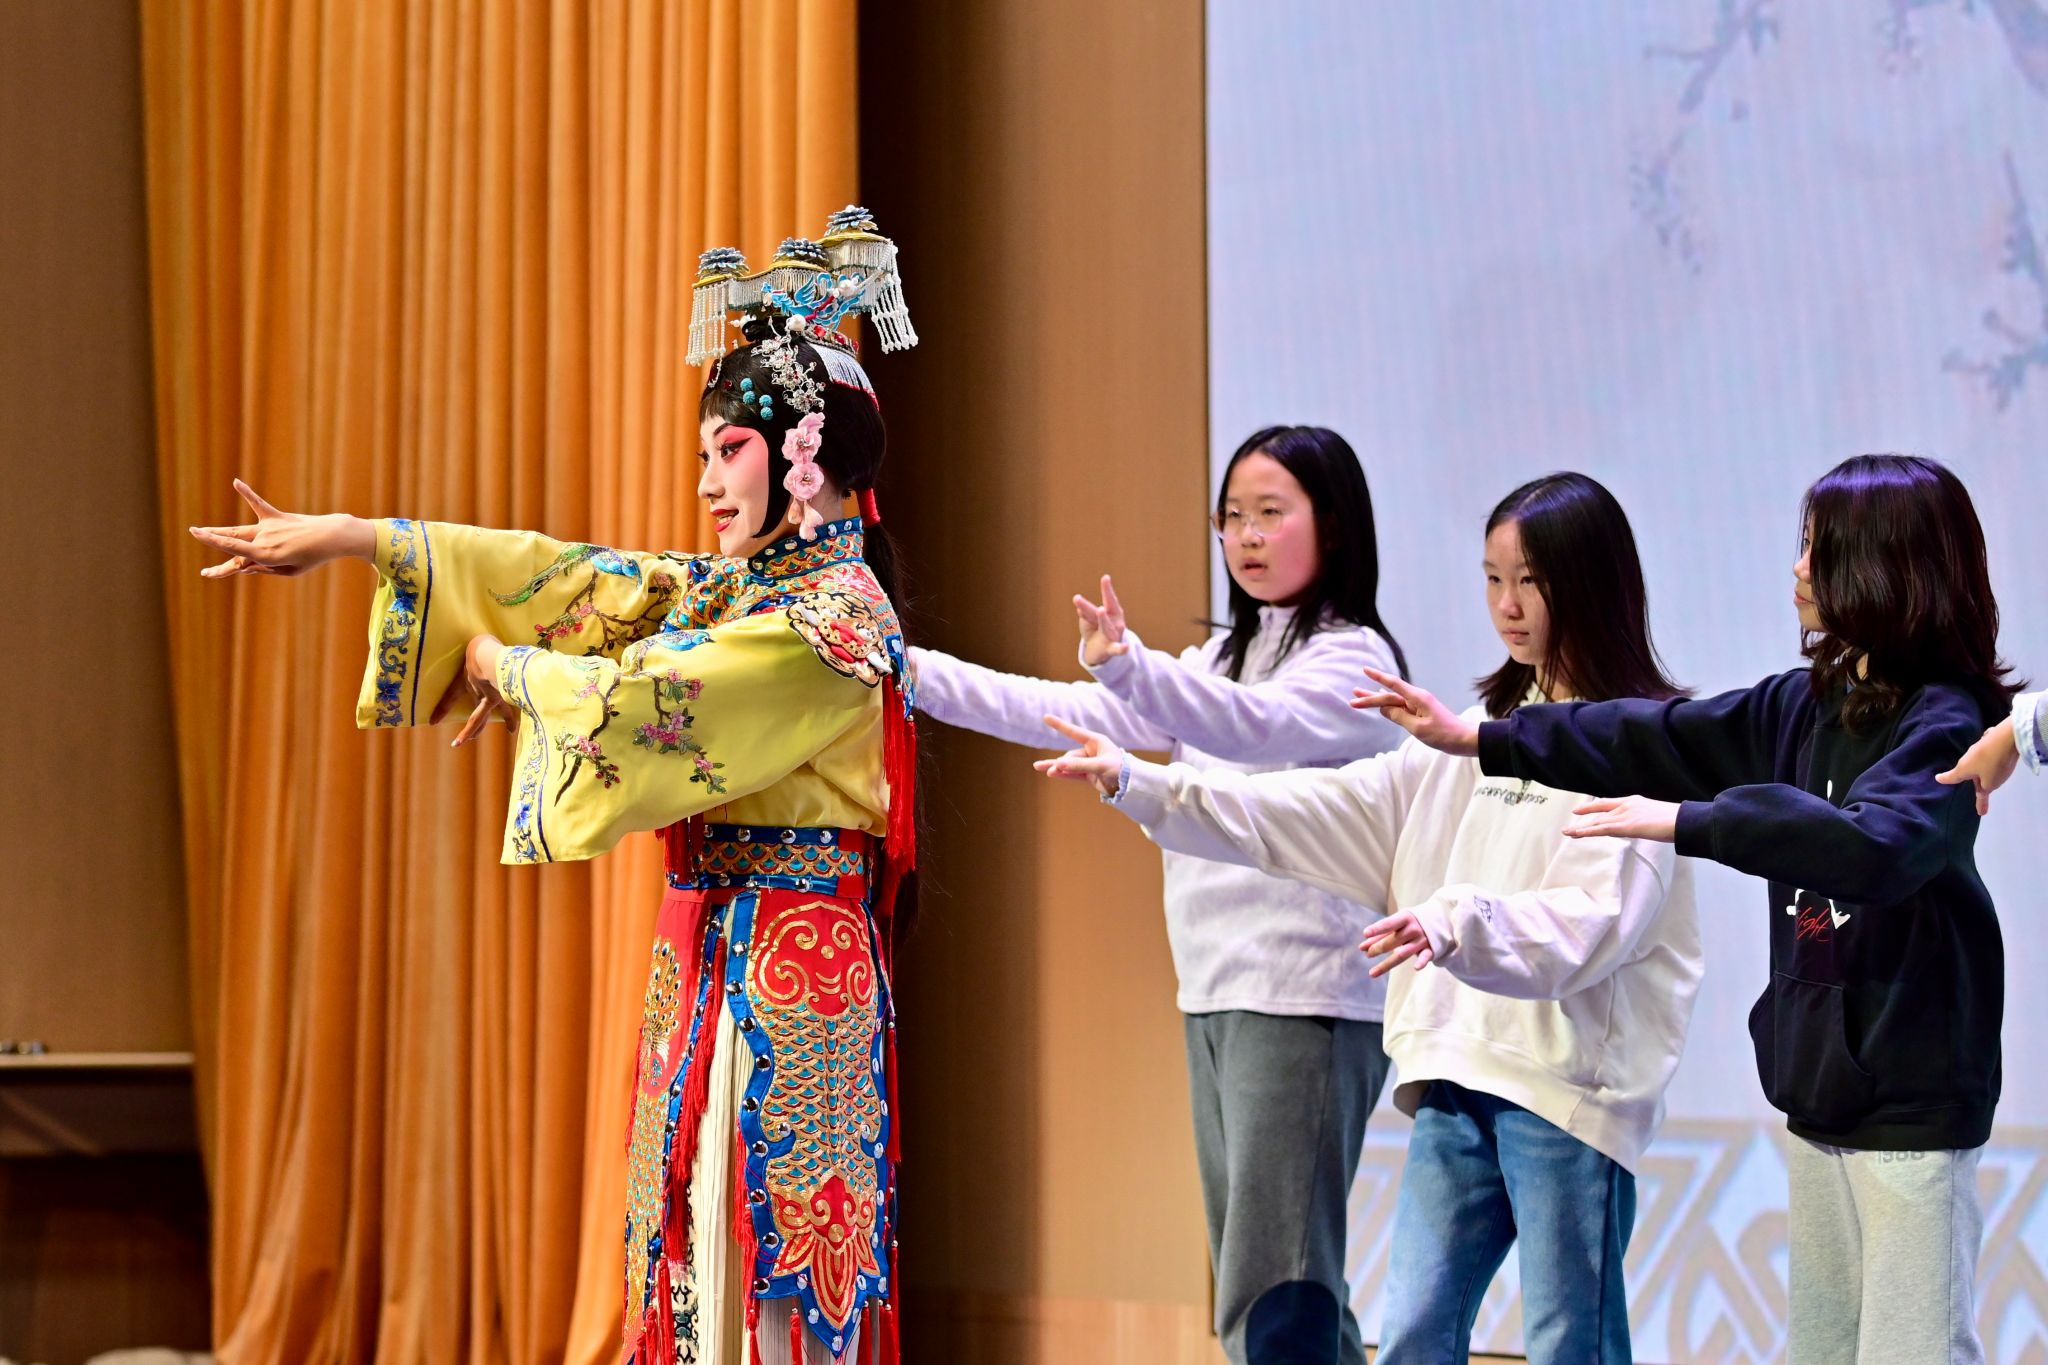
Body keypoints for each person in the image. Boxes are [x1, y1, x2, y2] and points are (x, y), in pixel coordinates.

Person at [190, 212, 921, 1365]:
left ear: (802, 455)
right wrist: (362, 539)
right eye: (703, 455)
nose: (704, 484)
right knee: (689, 1243)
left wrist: (500, 666)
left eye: (727, 450)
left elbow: (637, 699)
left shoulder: (832, 619)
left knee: (772, 1268)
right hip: (716, 943)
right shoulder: (742, 591)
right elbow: (580, 579)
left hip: (794, 958)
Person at [1038, 472, 1702, 1364]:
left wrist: (1455, 921)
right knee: (1414, 1332)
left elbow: (1590, 925)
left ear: (1588, 582)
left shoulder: (1635, 744)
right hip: (1454, 1075)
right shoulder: (1471, 734)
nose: (1507, 605)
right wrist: (1144, 783)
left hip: (1567, 1092)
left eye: (1531, 580)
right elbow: (1308, 809)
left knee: (1568, 1342)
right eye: (1493, 578)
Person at [1364, 453, 2013, 1365]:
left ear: (1880, 565)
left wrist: (1690, 820)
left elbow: (1873, 847)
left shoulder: (1947, 721)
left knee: (1913, 1351)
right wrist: (1486, 737)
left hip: (1913, 1105)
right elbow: (1655, 731)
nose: (1797, 567)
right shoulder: (1808, 704)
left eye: (1817, 547)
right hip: (1824, 1096)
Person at [911, 426, 1406, 1363]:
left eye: (1270, 512)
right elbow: (1059, 709)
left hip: (1305, 997)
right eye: (1232, 516)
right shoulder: (1215, 659)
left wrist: (1134, 667)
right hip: (1213, 989)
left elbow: (1253, 728)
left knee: (1277, 1291)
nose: (1245, 535)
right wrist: (907, 670)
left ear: (1334, 526)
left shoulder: (1355, 660)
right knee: (1275, 1287)